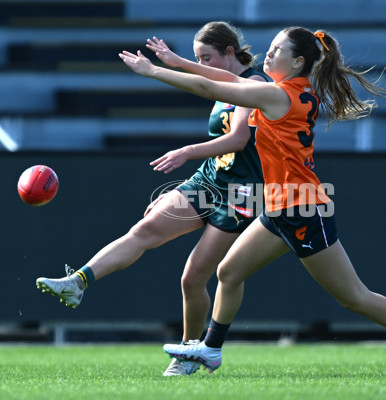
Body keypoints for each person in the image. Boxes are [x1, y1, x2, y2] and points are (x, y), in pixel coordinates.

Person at [120, 26, 386, 377]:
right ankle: (212, 349)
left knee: (353, 296)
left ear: (297, 61)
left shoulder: (280, 97)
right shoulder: (283, 90)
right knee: (228, 272)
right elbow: (225, 77)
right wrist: (179, 62)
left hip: (303, 210)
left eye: (278, 49)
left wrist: (155, 71)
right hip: (280, 206)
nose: (269, 53)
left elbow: (213, 87)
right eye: (272, 46)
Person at [36, 21, 269, 376]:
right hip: (209, 180)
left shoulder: (253, 84)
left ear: (230, 53)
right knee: (145, 228)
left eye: (207, 57)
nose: (202, 64)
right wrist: (162, 66)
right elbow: (207, 91)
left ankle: (190, 353)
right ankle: (78, 282)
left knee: (193, 277)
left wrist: (186, 150)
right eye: (197, 58)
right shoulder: (222, 85)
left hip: (242, 193)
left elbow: (238, 140)